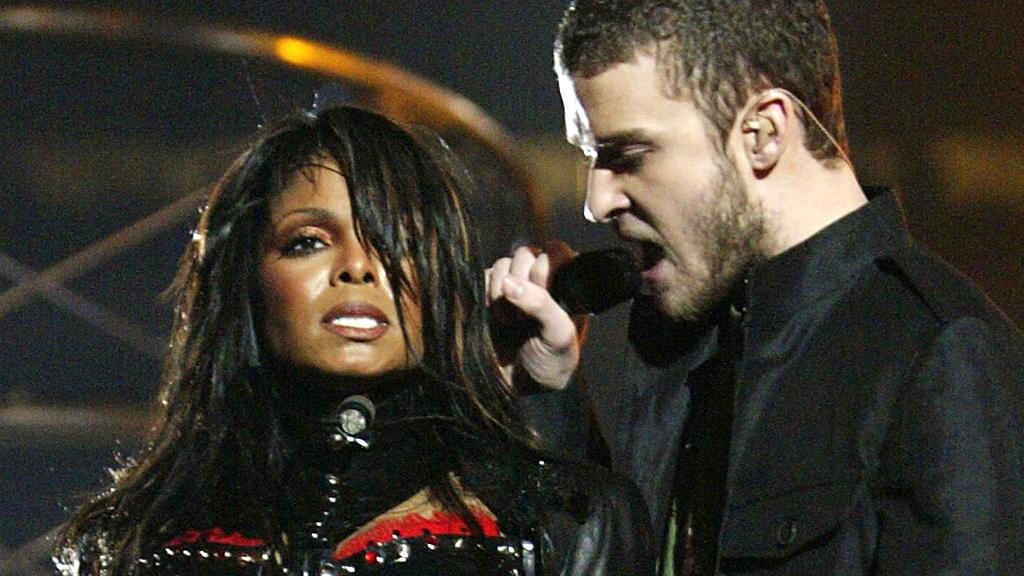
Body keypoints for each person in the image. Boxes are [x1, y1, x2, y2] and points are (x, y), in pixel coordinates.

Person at [486, 1, 1024, 574]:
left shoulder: (936, 356)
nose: (597, 203)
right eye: (592, 157)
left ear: (763, 133)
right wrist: (550, 399)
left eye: (628, 155)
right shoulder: (684, 332)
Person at [53, 105, 653, 575]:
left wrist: (544, 399)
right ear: (247, 281)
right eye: (308, 240)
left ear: (440, 281)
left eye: (397, 240)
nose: (359, 268)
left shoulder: (563, 517)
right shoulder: (129, 538)